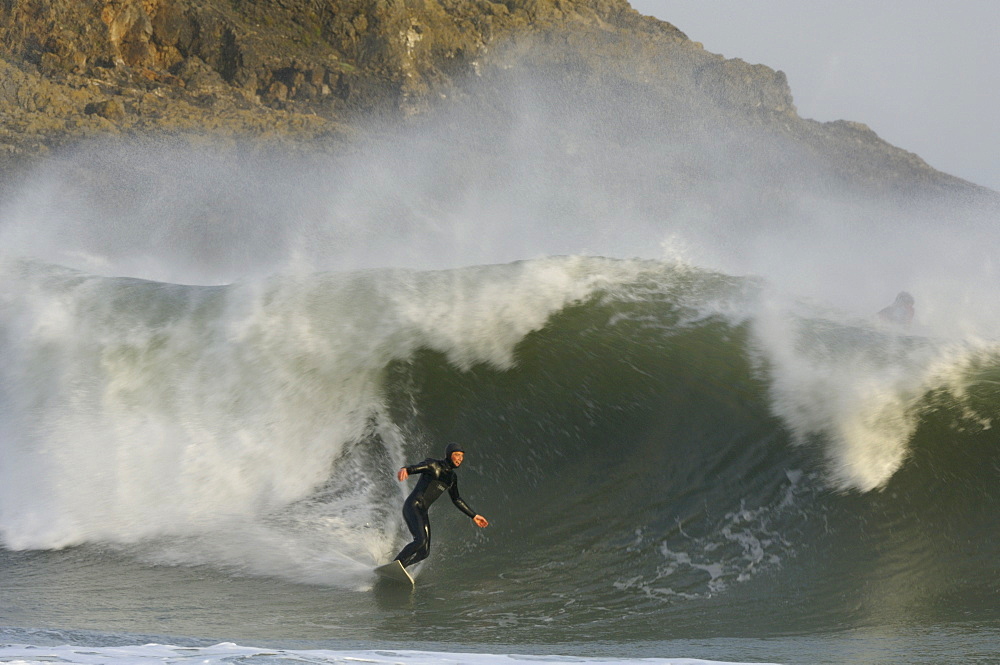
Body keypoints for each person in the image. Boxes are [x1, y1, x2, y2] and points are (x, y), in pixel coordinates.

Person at [393, 442, 489, 568]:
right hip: (413, 506)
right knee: (420, 541)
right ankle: (396, 563)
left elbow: (456, 499)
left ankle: (400, 567)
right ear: (449, 455)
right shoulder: (433, 465)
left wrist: (474, 515)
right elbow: (416, 467)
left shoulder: (452, 478)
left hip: (422, 512)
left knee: (424, 552)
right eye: (457, 455)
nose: (460, 458)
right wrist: (406, 469)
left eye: (462, 456)